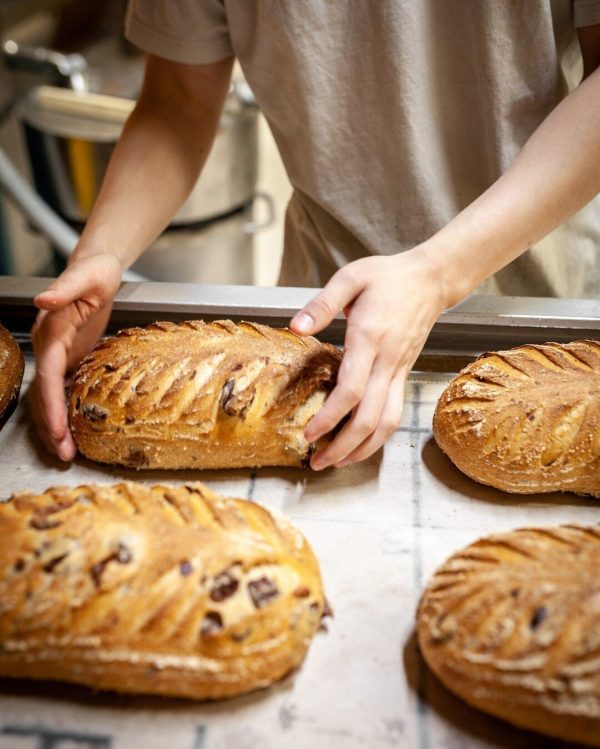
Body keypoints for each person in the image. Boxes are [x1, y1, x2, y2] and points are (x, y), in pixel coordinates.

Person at [31, 1, 600, 470]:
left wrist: (437, 272)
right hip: (315, 326)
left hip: (532, 312)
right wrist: (100, 251)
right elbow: (178, 99)